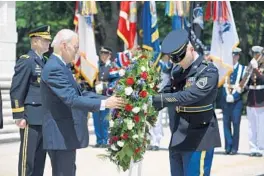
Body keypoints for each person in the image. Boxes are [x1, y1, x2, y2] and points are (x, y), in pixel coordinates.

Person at [40, 29, 125, 176]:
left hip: (64, 135)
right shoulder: (54, 68)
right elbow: (72, 99)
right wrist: (105, 104)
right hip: (60, 136)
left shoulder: (61, 66)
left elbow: (81, 93)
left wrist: (108, 99)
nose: (77, 52)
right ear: (64, 46)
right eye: (76, 47)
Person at [152, 29, 221, 176]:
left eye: (180, 58)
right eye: (174, 59)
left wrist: (160, 100)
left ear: (191, 48)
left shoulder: (208, 71)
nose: (178, 62)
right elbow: (167, 91)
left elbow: (189, 96)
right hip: (178, 134)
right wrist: (147, 100)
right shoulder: (178, 71)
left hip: (199, 136)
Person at [10, 25, 51, 176]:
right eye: (45, 40)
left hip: (44, 116)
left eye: (48, 40)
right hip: (30, 116)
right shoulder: (26, 61)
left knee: (40, 158)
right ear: (35, 41)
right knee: (28, 158)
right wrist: (18, 115)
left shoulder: (45, 61)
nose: (48, 43)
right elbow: (17, 89)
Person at [222, 47, 246, 155]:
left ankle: (234, 148)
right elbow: (222, 84)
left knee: (236, 123)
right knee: (226, 124)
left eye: (235, 55)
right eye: (232, 55)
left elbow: (243, 85)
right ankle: (228, 146)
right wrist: (226, 95)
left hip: (237, 101)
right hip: (226, 99)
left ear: (238, 56)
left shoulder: (243, 69)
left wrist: (235, 96)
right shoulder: (225, 68)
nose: (233, 57)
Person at [93, 46, 114, 148]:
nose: (103, 56)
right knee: (96, 118)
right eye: (102, 53)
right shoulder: (96, 65)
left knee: (105, 119)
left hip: (106, 95)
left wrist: (105, 86)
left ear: (109, 55)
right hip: (96, 95)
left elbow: (115, 81)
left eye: (105, 54)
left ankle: (105, 140)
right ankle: (99, 140)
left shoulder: (113, 66)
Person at [246, 46, 264, 157]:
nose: (256, 56)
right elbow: (245, 83)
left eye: (258, 54)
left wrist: (256, 69)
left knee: (261, 125)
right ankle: (253, 148)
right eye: (255, 54)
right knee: (251, 125)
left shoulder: (260, 67)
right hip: (251, 100)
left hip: (261, 100)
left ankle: (261, 147)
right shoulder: (251, 66)